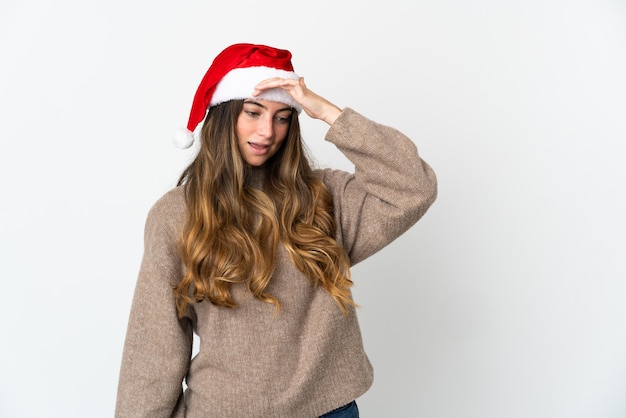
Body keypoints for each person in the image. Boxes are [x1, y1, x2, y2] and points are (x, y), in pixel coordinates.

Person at [115, 43, 437, 418]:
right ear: (223, 115)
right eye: (253, 113)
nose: (267, 131)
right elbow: (154, 345)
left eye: (283, 117)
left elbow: (414, 186)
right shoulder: (176, 215)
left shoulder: (325, 197)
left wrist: (329, 113)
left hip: (328, 411)